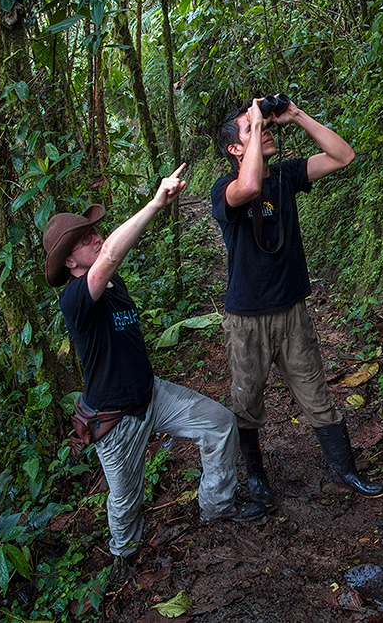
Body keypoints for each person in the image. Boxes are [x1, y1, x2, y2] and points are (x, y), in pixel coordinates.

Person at [42, 165, 261, 581]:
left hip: (152, 395)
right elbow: (108, 258)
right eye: (82, 240)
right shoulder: (74, 299)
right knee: (126, 500)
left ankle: (217, 508)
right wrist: (156, 203)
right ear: (70, 260)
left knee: (220, 424)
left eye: (91, 232)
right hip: (116, 419)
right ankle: (124, 559)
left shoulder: (114, 286)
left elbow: (108, 264)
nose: (94, 238)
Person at [211, 97, 383, 514]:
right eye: (252, 129)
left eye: (262, 125)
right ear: (236, 149)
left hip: (291, 312)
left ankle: (344, 470)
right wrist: (253, 117)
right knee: (247, 402)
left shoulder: (286, 176)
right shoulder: (224, 190)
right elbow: (248, 187)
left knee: (316, 392)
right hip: (247, 320)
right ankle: (258, 484)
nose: (264, 129)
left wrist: (296, 116)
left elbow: (343, 156)